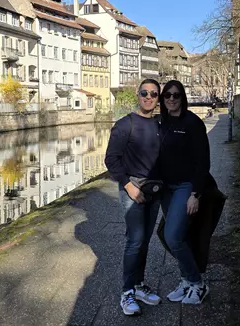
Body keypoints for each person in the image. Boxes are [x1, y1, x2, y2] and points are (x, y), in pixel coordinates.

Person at [104, 79, 163, 316]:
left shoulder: (161, 123)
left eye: (154, 94)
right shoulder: (124, 125)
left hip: (155, 190)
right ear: (138, 95)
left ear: (158, 98)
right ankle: (127, 292)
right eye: (144, 93)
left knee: (145, 240)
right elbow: (111, 160)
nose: (149, 97)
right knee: (135, 240)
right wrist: (128, 186)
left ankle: (139, 285)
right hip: (133, 189)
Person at [157, 80, 211, 304]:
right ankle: (186, 280)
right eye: (167, 95)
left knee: (172, 236)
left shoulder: (192, 123)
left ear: (182, 98)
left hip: (185, 186)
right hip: (165, 189)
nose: (171, 99)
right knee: (179, 235)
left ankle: (198, 283)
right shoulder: (161, 122)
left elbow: (203, 161)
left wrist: (195, 194)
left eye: (176, 95)